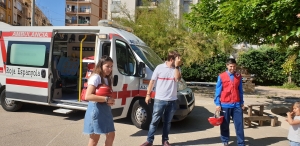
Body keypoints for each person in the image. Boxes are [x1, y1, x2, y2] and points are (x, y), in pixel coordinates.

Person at [140, 51, 182, 146]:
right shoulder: (159, 67)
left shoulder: (177, 69)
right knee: (154, 121)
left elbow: (177, 79)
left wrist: (176, 67)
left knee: (167, 122)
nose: (179, 61)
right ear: (171, 59)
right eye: (177, 59)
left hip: (172, 100)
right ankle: (149, 141)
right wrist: (148, 94)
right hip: (160, 100)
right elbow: (152, 82)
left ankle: (165, 141)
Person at [83, 55, 116, 146]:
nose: (109, 69)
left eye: (111, 66)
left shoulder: (107, 78)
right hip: (96, 110)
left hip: (105, 110)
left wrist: (110, 101)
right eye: (107, 66)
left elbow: (105, 94)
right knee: (94, 140)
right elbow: (88, 96)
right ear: (101, 66)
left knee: (111, 135)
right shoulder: (96, 77)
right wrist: (106, 99)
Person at [214, 58, 245, 146]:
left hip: (237, 105)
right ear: (227, 65)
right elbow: (217, 91)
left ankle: (241, 143)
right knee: (224, 125)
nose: (232, 68)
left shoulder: (238, 76)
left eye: (234, 66)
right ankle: (225, 141)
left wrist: (242, 102)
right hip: (225, 105)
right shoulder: (221, 76)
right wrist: (217, 104)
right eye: (231, 66)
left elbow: (240, 91)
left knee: (239, 126)